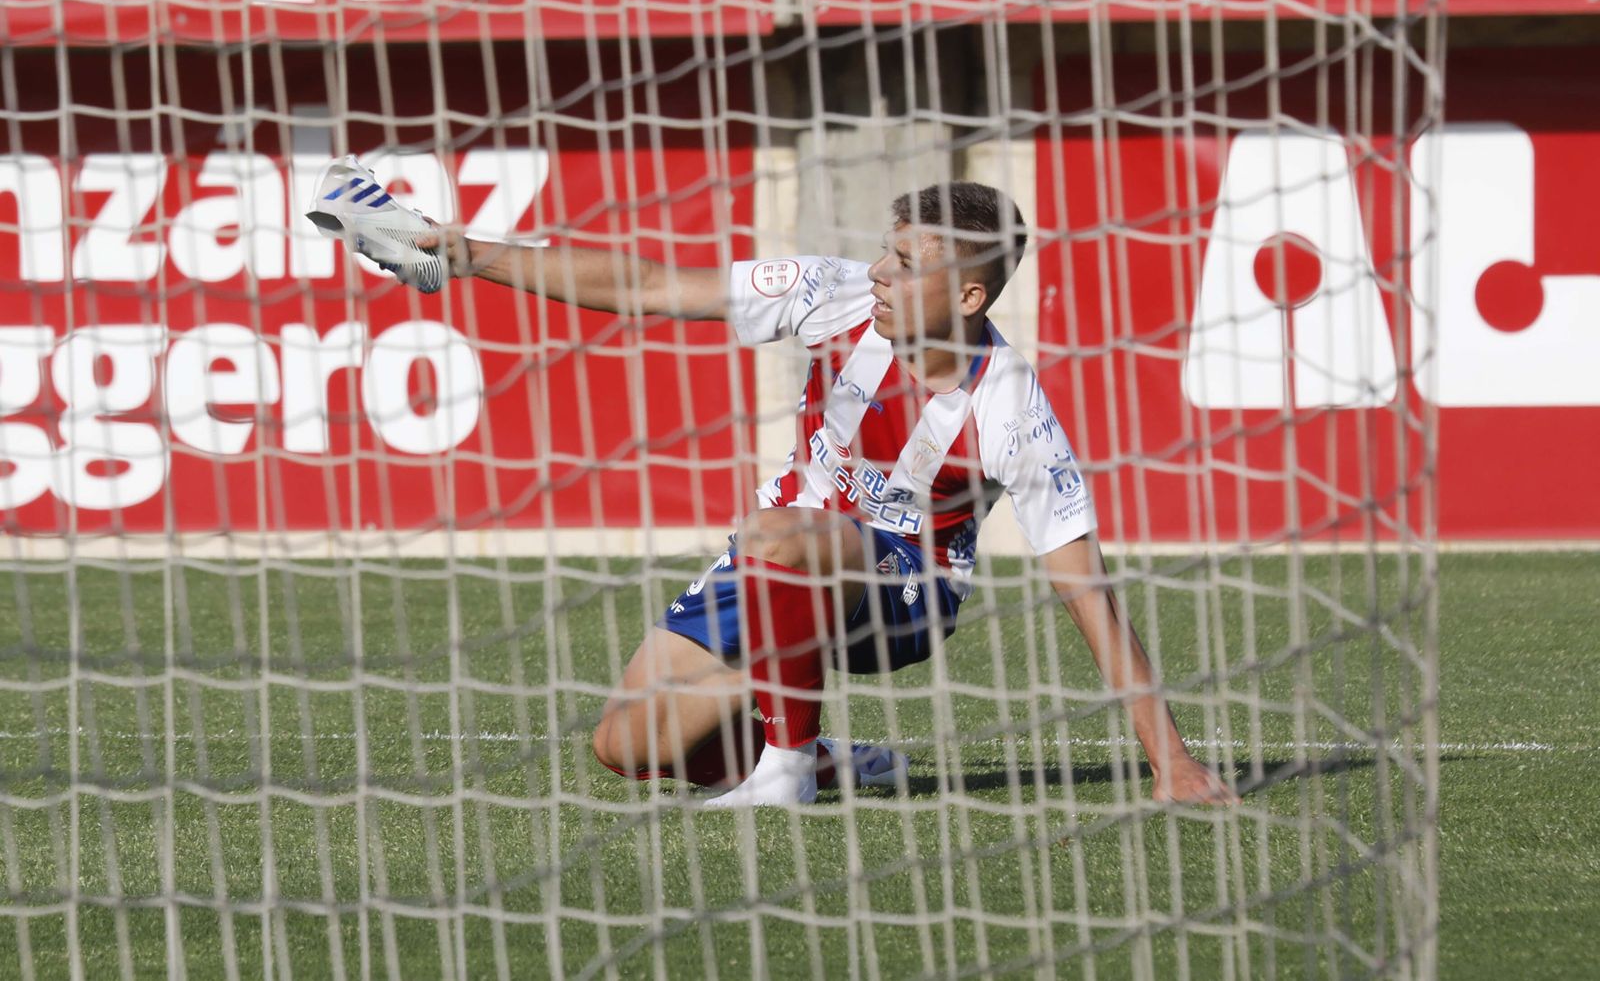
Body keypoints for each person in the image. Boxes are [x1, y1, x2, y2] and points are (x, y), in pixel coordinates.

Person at [309, 158, 1239, 808]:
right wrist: (462, 251)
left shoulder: (1012, 410)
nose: (876, 271)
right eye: (886, 248)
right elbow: (648, 287)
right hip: (779, 555)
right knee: (628, 748)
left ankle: (785, 769)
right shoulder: (830, 293)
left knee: (774, 532)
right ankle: (829, 759)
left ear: (969, 297)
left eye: (905, 264)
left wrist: (1173, 761)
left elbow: (1086, 589)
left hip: (902, 594)